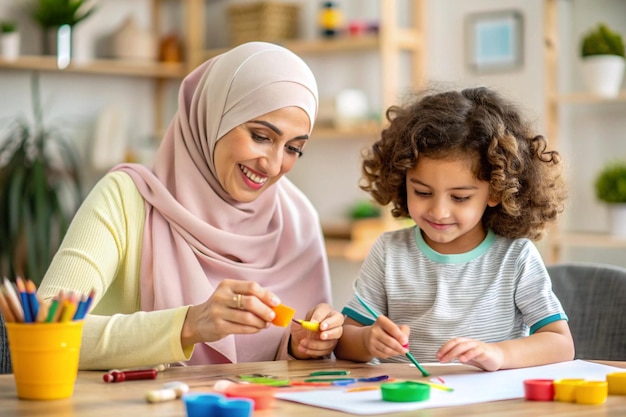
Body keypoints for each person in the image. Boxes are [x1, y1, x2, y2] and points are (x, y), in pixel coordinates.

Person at [38, 42, 344, 370]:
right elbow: (42, 331)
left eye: (294, 148)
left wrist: (302, 347)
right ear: (213, 116)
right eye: (260, 136)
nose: (272, 165)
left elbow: (296, 362)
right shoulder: (126, 199)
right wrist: (188, 325)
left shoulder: (299, 221)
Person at [334, 86, 574, 371]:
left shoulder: (515, 256)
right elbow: (344, 342)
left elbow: (560, 343)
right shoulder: (389, 252)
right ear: (402, 180)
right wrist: (367, 341)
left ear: (496, 191)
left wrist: (498, 355)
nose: (439, 211)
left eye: (460, 197)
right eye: (422, 192)